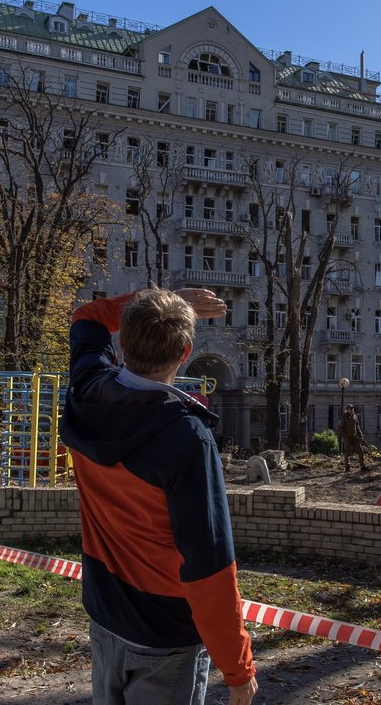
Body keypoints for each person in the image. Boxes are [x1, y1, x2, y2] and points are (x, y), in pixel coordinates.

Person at [62, 287, 258, 705]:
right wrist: (237, 668)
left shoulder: (87, 390)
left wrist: (165, 293)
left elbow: (88, 317)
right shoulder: (187, 438)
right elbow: (209, 566)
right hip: (164, 635)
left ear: (124, 340)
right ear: (185, 351)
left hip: (105, 612)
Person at [337, 404, 367, 472]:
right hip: (347, 437)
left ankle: (363, 466)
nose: (351, 410)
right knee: (347, 452)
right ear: (347, 409)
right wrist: (345, 436)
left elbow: (357, 427)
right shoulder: (344, 417)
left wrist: (361, 435)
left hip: (354, 436)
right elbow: (340, 428)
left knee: (360, 451)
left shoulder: (355, 416)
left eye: (352, 409)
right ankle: (347, 467)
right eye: (350, 409)